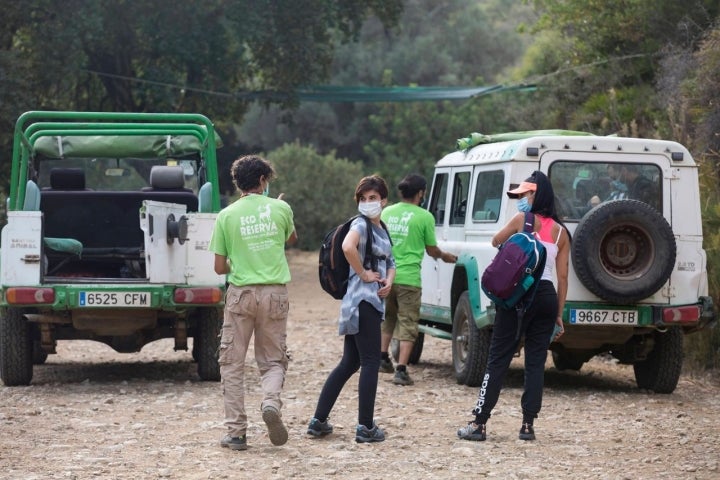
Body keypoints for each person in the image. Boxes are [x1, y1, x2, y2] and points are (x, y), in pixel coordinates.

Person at [456, 170, 570, 442]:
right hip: (545, 296)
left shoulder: (522, 220)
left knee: (498, 359)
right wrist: (559, 314)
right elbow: (563, 277)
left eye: (525, 194)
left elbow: (496, 241)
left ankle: (479, 423)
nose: (522, 199)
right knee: (535, 362)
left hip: (518, 296)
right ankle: (528, 426)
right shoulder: (560, 232)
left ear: (535, 194)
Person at [209, 155, 298, 451]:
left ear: (238, 183)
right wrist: (279, 212)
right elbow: (292, 239)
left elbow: (219, 268)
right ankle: (270, 403)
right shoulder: (281, 208)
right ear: (263, 180)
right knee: (273, 361)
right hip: (275, 293)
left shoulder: (226, 215)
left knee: (232, 363)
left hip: (240, 294)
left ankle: (236, 433)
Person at [307, 175, 396, 443]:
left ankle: (318, 421)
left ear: (384, 200)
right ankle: (366, 427)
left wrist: (388, 281)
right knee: (370, 362)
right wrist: (364, 274)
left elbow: (390, 261)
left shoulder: (382, 228)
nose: (368, 203)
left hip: (363, 302)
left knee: (350, 362)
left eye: (373, 198)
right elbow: (347, 247)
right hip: (362, 301)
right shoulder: (360, 224)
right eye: (363, 198)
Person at [379, 173, 457, 386]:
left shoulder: (387, 212)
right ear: (421, 193)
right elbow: (431, 250)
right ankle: (401, 370)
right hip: (409, 279)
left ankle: (382, 358)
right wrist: (445, 256)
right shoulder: (425, 217)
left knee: (388, 318)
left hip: (386, 277)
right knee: (408, 322)